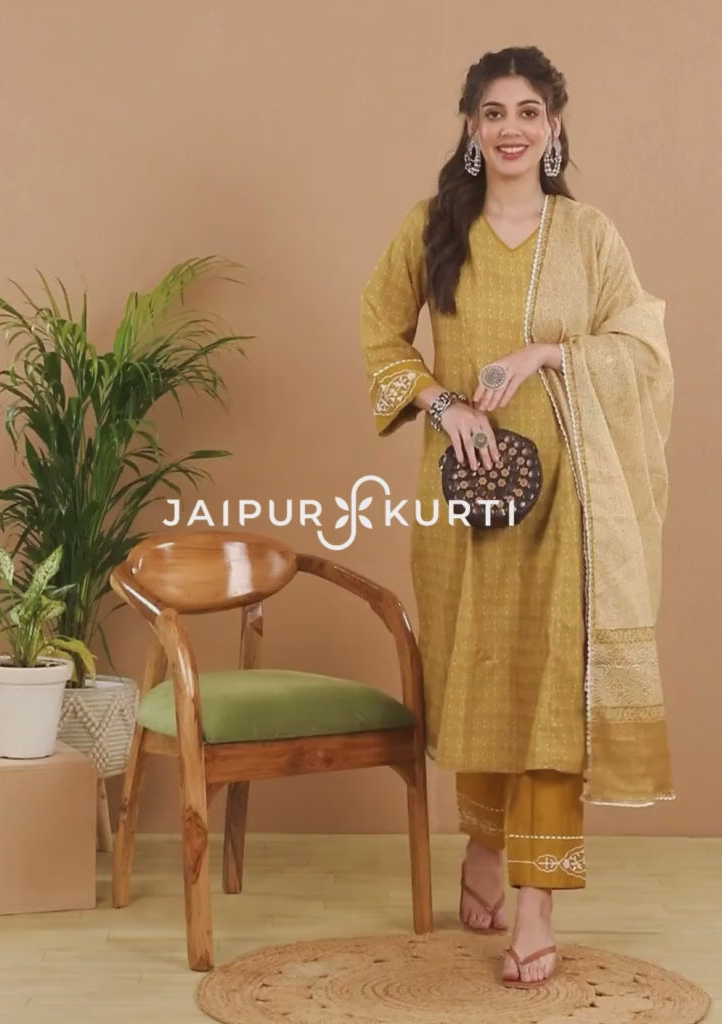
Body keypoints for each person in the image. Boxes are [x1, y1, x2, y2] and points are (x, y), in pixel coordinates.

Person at [359, 45, 674, 988]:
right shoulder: (432, 227)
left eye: (528, 112)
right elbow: (381, 335)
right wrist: (443, 405)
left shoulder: (588, 236)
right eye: (493, 112)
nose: (511, 129)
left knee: (552, 689)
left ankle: (536, 904)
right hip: (465, 495)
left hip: (568, 502)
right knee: (481, 675)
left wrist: (545, 354)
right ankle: (485, 845)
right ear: (471, 127)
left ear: (554, 126)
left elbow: (641, 347)